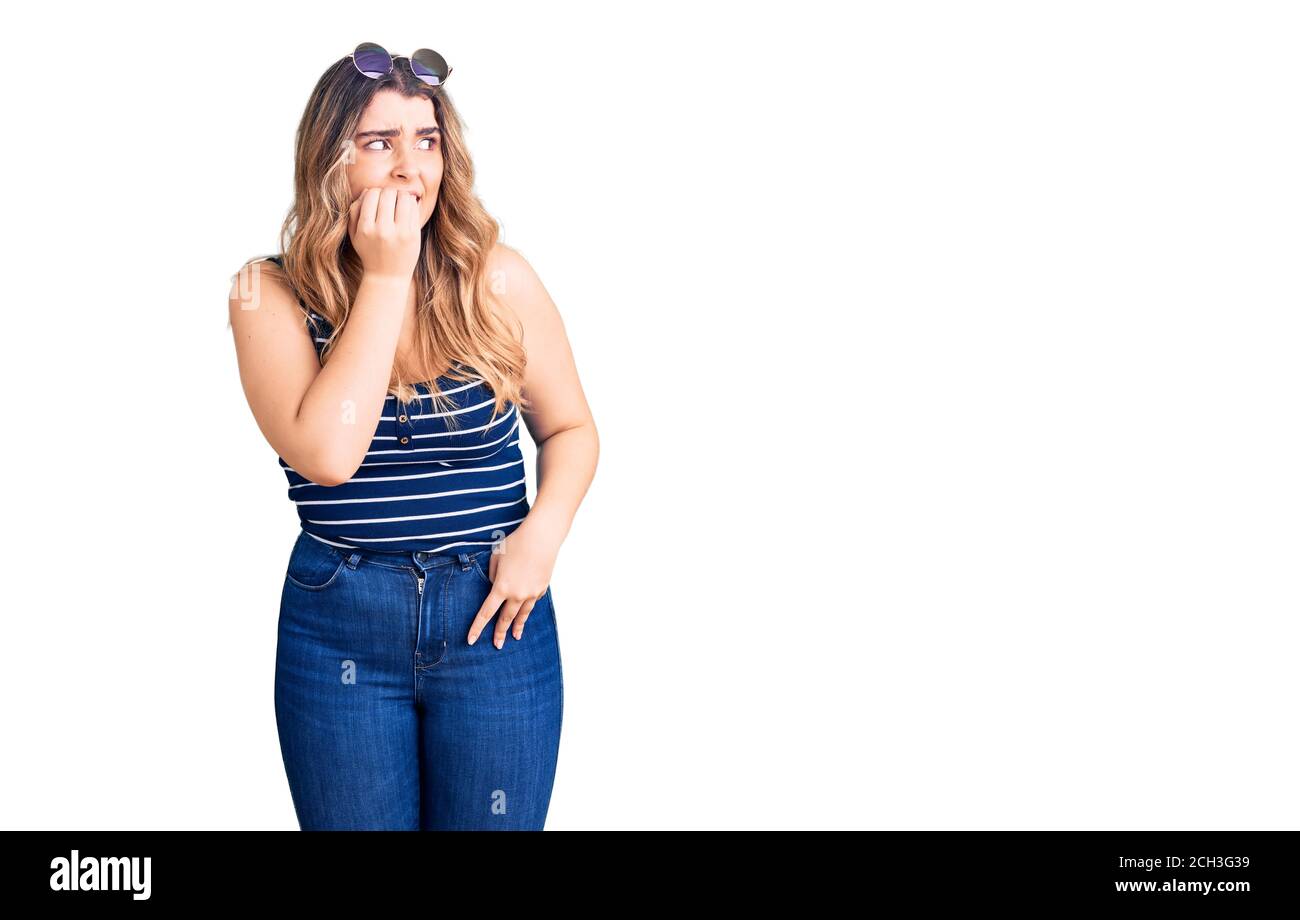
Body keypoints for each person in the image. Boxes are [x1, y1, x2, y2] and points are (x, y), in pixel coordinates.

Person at [226, 44, 599, 830]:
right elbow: (329, 455)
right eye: (378, 143)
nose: (409, 167)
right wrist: (387, 278)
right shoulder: (267, 292)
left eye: (426, 140)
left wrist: (544, 535)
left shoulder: (498, 278)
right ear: (328, 159)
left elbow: (569, 428)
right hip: (340, 627)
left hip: (495, 618)